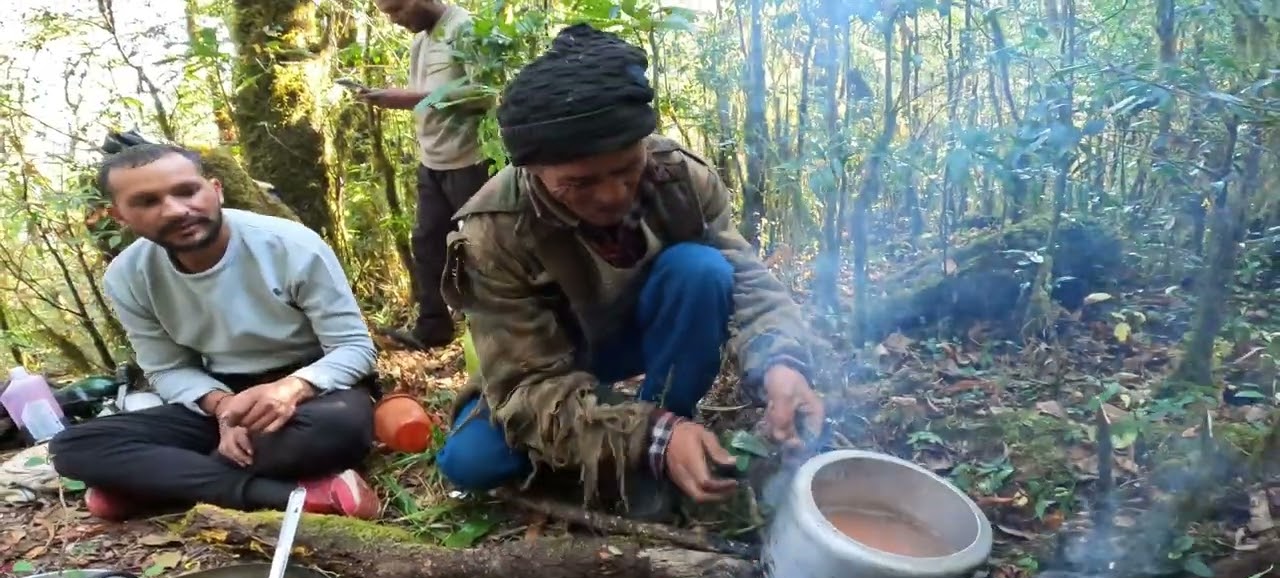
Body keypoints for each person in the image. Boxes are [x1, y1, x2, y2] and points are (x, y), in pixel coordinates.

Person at [434, 24, 826, 519]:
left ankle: (668, 429)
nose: (613, 195)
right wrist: (650, 436)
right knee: (471, 461)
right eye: (579, 183)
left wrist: (781, 364)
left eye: (626, 168)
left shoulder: (679, 178)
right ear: (531, 170)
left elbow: (746, 279)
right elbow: (526, 387)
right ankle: (656, 445)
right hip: (553, 361)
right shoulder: (493, 232)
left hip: (644, 329)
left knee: (702, 270)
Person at [49, 144, 382, 521]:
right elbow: (167, 369)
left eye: (187, 191)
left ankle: (162, 485)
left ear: (216, 189)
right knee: (74, 446)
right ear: (119, 215)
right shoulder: (129, 275)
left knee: (334, 429)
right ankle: (290, 495)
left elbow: (354, 348)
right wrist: (224, 409)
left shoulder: (289, 245)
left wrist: (291, 389)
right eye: (147, 201)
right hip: (215, 397)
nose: (176, 210)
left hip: (311, 390)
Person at [360, 0, 493, 349]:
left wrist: (407, 99)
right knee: (427, 242)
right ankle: (433, 328)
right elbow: (427, 95)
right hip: (433, 159)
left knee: (484, 247)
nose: (394, 20)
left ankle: (498, 331)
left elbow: (486, 93)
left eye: (398, 9)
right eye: (388, 14)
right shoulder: (421, 39)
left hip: (471, 159)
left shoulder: (465, 28)